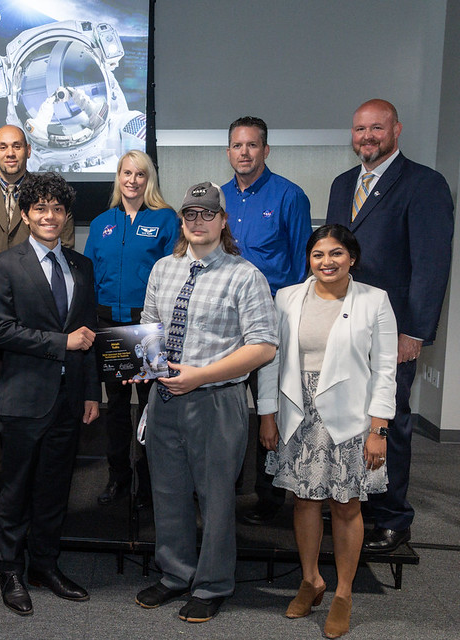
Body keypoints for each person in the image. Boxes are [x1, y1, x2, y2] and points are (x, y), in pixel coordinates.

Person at [133, 182, 277, 624]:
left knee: (215, 498)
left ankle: (212, 584)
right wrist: (143, 365)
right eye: (190, 214)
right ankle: (176, 573)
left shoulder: (245, 275)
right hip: (164, 398)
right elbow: (149, 326)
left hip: (215, 400)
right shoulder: (163, 268)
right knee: (168, 491)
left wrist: (199, 376)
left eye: (206, 214)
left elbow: (264, 347)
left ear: (222, 220)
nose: (198, 222)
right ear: (182, 221)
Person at [326, 99, 455, 553]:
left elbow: (431, 266)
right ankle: (350, 506)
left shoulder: (424, 184)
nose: (367, 137)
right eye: (360, 129)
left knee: (389, 421)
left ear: (396, 130)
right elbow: (334, 255)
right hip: (343, 323)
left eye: (376, 128)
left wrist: (414, 332)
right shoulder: (344, 184)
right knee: (344, 414)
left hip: (393, 330)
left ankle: (393, 519)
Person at [257, 224, 397, 638]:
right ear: (309, 259)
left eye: (336, 253)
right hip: (297, 413)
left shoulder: (374, 301)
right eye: (318, 254)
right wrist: (267, 414)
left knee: (345, 505)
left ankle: (344, 592)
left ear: (351, 257)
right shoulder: (286, 297)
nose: (327, 262)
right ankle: (311, 580)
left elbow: (385, 370)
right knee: (302, 501)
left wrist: (380, 429)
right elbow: (269, 359)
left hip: (352, 419)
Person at [0, 172, 100, 616]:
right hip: (23, 398)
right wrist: (60, 343)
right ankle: (10, 570)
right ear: (26, 214)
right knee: (16, 490)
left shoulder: (81, 266)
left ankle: (44, 566)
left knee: (55, 490)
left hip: (71, 399)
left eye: (57, 209)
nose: (49, 216)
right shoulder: (4, 264)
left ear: (66, 216)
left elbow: (88, 332)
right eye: (40, 208)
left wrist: (92, 393)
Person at [0, 124, 75, 495]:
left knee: (31, 395)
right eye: (3, 147)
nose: (10, 153)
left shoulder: (48, 197)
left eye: (17, 146)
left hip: (38, 316)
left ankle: (32, 462)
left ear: (27, 151)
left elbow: (63, 250)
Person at [221, 116, 313, 525]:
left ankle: (270, 496)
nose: (244, 152)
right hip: (225, 319)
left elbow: (301, 265)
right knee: (223, 402)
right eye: (237, 146)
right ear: (229, 152)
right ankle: (223, 485)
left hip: (272, 319)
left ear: (265, 150)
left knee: (269, 407)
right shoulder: (218, 198)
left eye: (252, 145)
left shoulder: (290, 196)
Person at [83, 150, 179, 508]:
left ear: (148, 178)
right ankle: (118, 478)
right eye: (126, 173)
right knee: (118, 409)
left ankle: (152, 485)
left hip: (148, 325)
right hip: (109, 325)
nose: (132, 180)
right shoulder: (101, 223)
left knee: (154, 407)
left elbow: (172, 274)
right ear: (118, 177)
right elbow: (89, 276)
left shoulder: (166, 219)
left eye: (140, 174)